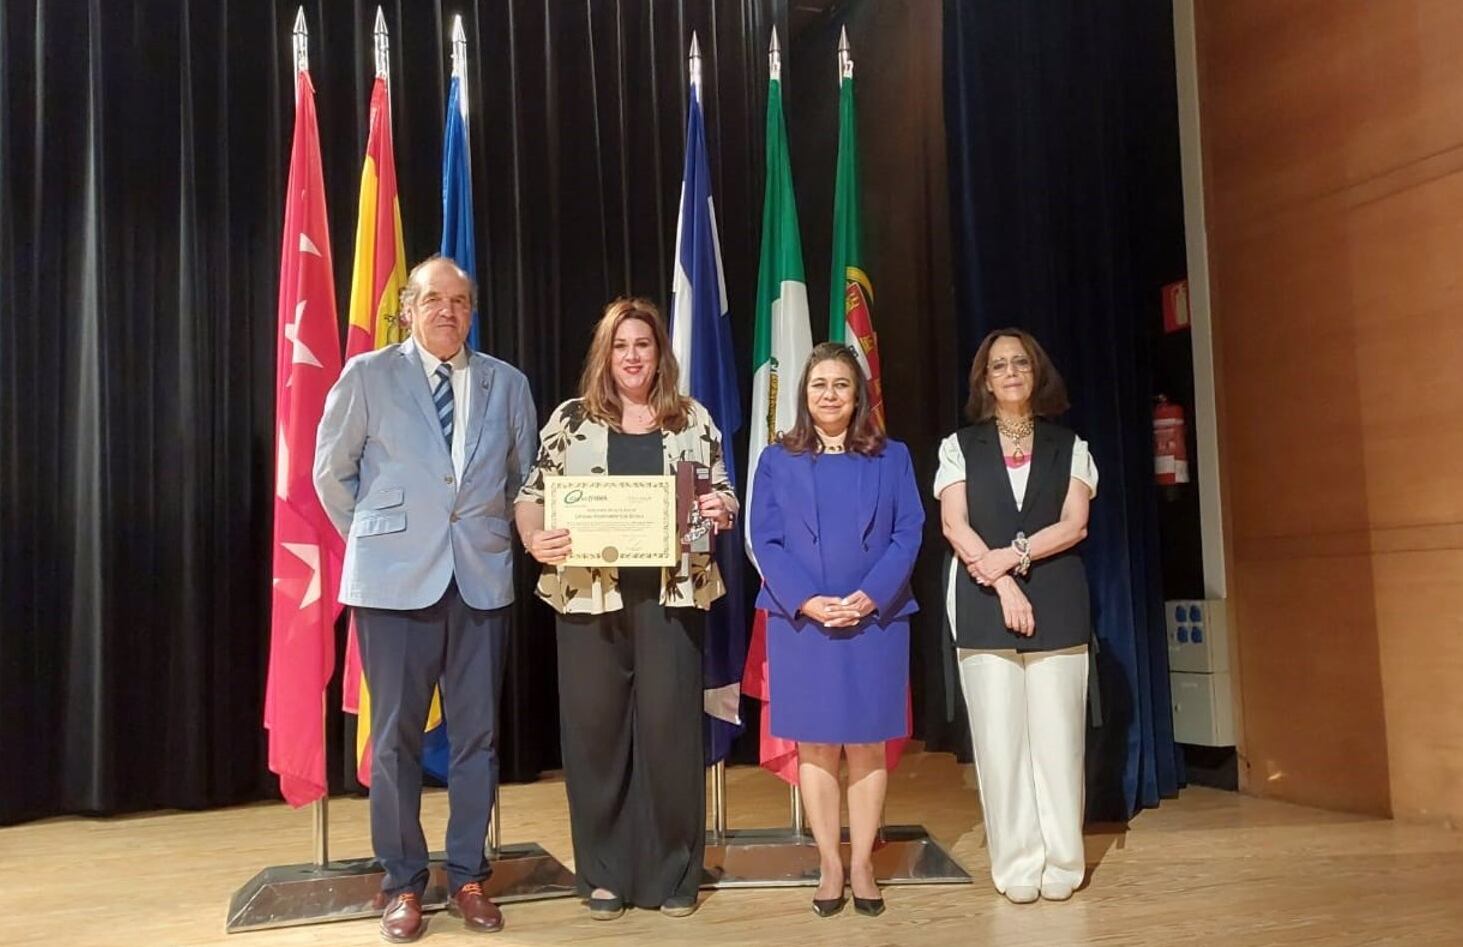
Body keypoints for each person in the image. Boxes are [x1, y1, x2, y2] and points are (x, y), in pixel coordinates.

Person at [314, 256, 537, 942]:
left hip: (479, 581)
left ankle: (467, 874)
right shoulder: (368, 376)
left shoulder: (507, 383)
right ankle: (402, 882)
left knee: (476, 739)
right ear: (407, 309)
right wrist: (379, 540)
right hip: (392, 587)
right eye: (433, 299)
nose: (448, 311)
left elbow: (523, 477)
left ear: (472, 311)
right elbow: (331, 472)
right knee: (395, 742)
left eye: (460, 301)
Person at [513, 297, 736, 920]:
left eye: (642, 344)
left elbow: (722, 492)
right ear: (604, 354)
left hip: (673, 594)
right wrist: (536, 539)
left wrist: (722, 508)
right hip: (589, 597)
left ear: (659, 352)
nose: (632, 356)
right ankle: (605, 873)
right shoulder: (570, 421)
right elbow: (531, 497)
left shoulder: (692, 419)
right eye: (620, 345)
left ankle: (675, 871)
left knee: (669, 735)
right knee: (596, 738)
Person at [748, 342, 924, 918]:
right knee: (817, 747)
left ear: (859, 396)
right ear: (804, 394)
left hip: (876, 620)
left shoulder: (892, 457)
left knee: (867, 744)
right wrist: (809, 602)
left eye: (841, 385)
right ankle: (829, 863)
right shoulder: (777, 460)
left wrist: (869, 598)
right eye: (819, 384)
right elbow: (765, 540)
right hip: (803, 625)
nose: (829, 394)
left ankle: (865, 865)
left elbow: (908, 533)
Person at [934, 328, 1098, 905]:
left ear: (1037, 373)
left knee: (1058, 743)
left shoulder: (1069, 444)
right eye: (997, 365)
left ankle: (1063, 860)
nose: (1009, 372)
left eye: (1019, 363)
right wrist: (1002, 579)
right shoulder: (959, 446)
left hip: (1057, 598)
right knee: (1000, 746)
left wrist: (1018, 554)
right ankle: (1016, 863)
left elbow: (1075, 523)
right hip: (982, 602)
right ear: (983, 379)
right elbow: (956, 526)